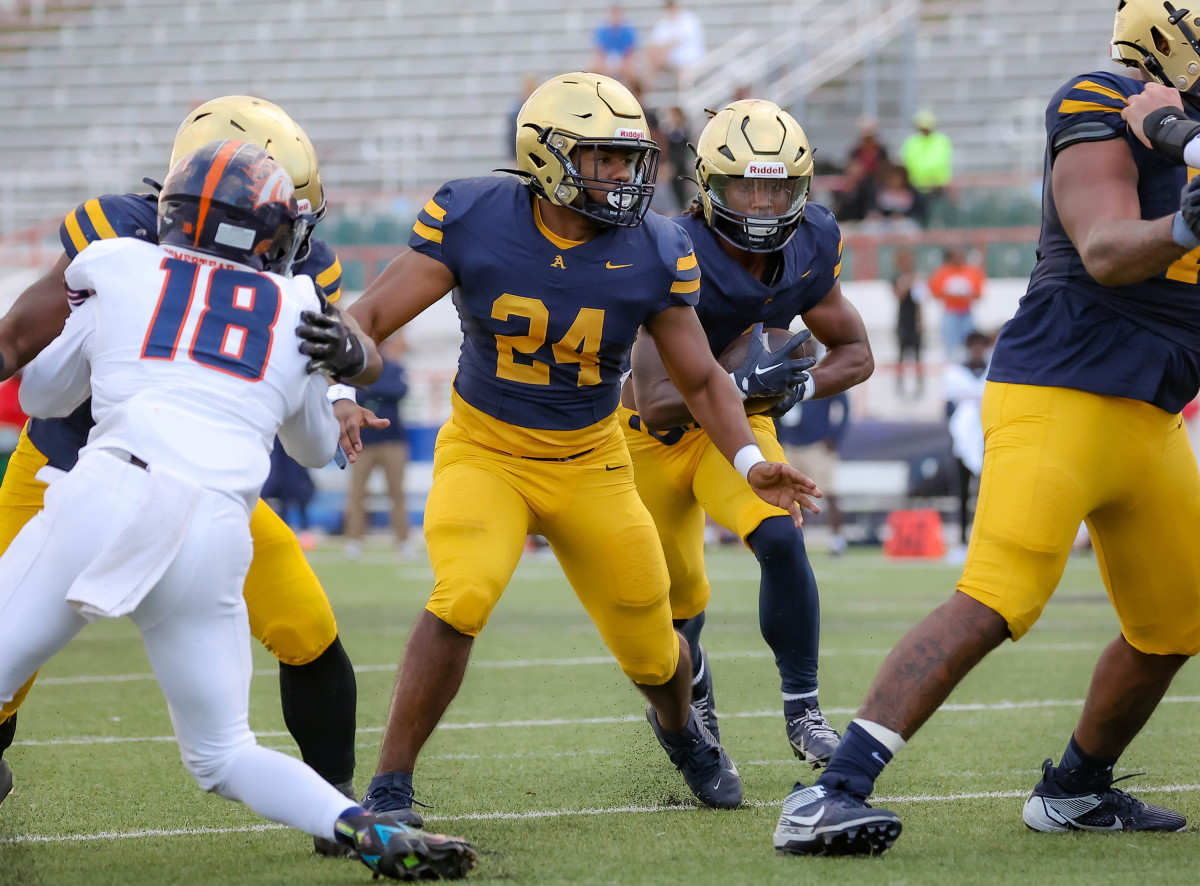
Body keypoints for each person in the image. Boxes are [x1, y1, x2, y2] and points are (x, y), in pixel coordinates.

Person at [774, 1, 1200, 856]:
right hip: (1062, 388)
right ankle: (830, 792)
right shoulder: (1103, 96)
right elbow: (1109, 247)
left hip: (1151, 412)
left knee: (1177, 621)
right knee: (1000, 597)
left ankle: (1076, 788)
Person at [346, 72, 822, 824]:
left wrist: (748, 461)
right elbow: (369, 315)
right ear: (545, 156)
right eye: (602, 159)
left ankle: (680, 729)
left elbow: (700, 378)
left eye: (629, 160)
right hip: (486, 452)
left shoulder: (657, 246)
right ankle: (390, 786)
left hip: (592, 462)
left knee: (654, 648)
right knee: (461, 595)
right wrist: (341, 381)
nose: (622, 177)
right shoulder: (473, 214)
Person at [0, 139, 476, 881]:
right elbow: (317, 450)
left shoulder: (118, 262)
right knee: (224, 753)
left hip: (109, 491)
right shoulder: (296, 306)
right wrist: (324, 371)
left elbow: (40, 398)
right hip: (214, 531)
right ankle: (356, 825)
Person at [621, 100, 872, 766]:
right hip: (649, 434)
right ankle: (694, 686)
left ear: (802, 187)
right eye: (746, 186)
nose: (762, 203)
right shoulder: (672, 245)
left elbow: (857, 354)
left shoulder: (813, 242)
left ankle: (805, 711)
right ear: (710, 185)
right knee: (677, 599)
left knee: (782, 534)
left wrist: (795, 386)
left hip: (738, 426)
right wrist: (743, 385)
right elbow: (656, 398)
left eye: (777, 186)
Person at [343, 334, 412, 559]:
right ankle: (353, 540)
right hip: (363, 441)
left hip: (393, 440)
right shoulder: (359, 369)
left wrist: (372, 390)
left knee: (397, 493)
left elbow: (399, 391)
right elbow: (355, 394)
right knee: (357, 493)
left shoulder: (394, 366)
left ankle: (403, 541)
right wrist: (377, 392)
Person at [777, 391, 852, 558]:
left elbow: (844, 406)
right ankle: (796, 541)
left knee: (828, 493)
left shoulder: (821, 370)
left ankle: (836, 540)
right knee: (793, 495)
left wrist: (835, 436)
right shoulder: (787, 370)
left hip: (818, 445)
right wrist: (778, 435)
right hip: (791, 444)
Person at [942, 331, 990, 558]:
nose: (978, 350)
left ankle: (987, 540)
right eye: (974, 345)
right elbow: (949, 408)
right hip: (963, 441)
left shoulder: (994, 370)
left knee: (988, 494)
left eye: (982, 345)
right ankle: (962, 541)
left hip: (989, 437)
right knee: (962, 493)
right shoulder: (956, 373)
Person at [927, 247, 984, 363]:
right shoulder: (942, 272)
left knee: (970, 345)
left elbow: (978, 294)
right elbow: (934, 292)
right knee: (949, 346)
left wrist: (966, 295)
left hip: (966, 313)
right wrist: (950, 294)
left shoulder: (972, 271)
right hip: (950, 313)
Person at [900, 110, 953, 225]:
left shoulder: (941, 141)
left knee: (937, 217)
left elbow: (940, 162)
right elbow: (909, 162)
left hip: (937, 187)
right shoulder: (911, 142)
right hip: (916, 187)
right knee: (918, 218)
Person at [646, 0, 706, 89]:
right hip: (673, 60)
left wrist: (661, 48)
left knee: (654, 57)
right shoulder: (665, 22)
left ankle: (647, 88)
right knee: (652, 56)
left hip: (689, 60)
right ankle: (648, 86)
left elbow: (675, 41)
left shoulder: (688, 20)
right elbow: (656, 43)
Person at [892, 250, 926, 398]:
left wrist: (921, 322)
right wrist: (907, 282)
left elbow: (920, 301)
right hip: (903, 323)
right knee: (900, 356)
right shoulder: (897, 278)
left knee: (918, 357)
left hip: (914, 323)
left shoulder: (917, 278)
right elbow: (898, 295)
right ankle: (899, 387)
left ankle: (919, 387)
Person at [591, 5, 638, 83]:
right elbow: (600, 51)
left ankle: (634, 93)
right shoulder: (603, 31)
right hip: (606, 59)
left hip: (623, 59)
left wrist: (623, 64)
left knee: (631, 73)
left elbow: (629, 52)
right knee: (593, 70)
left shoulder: (627, 31)